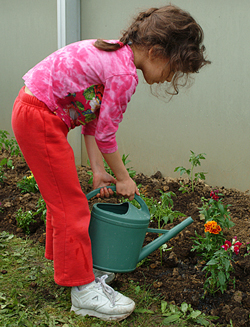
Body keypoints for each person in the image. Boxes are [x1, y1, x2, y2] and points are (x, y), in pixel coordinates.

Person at [11, 4, 210, 322]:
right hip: (39, 118)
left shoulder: (114, 54)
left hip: (35, 112)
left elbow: (92, 122)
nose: (170, 78)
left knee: (63, 200)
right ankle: (83, 292)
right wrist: (123, 177)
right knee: (70, 207)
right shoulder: (123, 73)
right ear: (156, 51)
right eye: (173, 69)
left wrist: (99, 171)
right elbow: (106, 135)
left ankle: (72, 269)